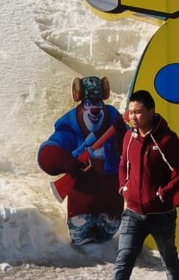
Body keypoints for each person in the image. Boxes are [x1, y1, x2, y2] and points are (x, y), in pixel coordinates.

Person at [89, 91, 179, 280]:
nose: (132, 117)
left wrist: (163, 194)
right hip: (133, 213)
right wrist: (124, 187)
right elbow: (124, 164)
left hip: (162, 215)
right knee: (123, 261)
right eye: (130, 112)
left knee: (169, 260)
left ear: (151, 112)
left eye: (137, 112)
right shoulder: (128, 137)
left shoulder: (166, 140)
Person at [36, 74, 124, 246]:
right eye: (89, 104)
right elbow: (49, 151)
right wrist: (67, 161)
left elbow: (131, 148)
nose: (95, 109)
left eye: (98, 103)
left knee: (106, 241)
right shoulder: (70, 127)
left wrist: (122, 136)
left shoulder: (115, 122)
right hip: (81, 204)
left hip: (112, 205)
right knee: (82, 239)